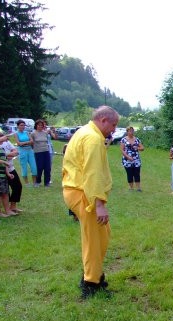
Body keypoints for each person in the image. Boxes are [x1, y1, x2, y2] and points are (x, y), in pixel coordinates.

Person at [62, 105, 119, 299]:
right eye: (113, 124)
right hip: (83, 193)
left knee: (102, 235)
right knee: (94, 240)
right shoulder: (93, 138)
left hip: (80, 191)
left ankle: (93, 274)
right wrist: (99, 204)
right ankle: (91, 283)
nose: (114, 129)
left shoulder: (86, 133)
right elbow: (92, 174)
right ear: (103, 120)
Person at [0, 130, 16, 218]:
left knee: (5, 193)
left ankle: (7, 210)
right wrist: (2, 162)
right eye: (0, 139)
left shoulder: (1, 149)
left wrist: (8, 173)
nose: (2, 141)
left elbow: (5, 162)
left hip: (3, 175)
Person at [0, 131, 23, 213]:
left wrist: (7, 155)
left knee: (17, 186)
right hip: (0, 169)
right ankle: (6, 209)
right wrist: (8, 155)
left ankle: (13, 206)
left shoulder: (6, 141)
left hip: (10, 168)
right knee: (5, 190)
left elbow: (16, 151)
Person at [30, 119, 56, 187]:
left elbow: (54, 137)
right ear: (36, 126)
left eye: (41, 125)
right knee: (39, 167)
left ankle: (47, 182)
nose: (40, 126)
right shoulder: (33, 133)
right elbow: (31, 143)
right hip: (38, 152)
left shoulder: (45, 133)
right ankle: (38, 182)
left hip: (46, 151)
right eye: (39, 125)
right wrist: (34, 148)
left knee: (47, 167)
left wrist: (52, 131)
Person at [12, 120, 37, 186]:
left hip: (30, 151)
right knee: (24, 167)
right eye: (21, 125)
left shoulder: (27, 132)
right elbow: (19, 143)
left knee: (34, 167)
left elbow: (32, 141)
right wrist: (27, 142)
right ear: (18, 126)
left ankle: (34, 183)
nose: (23, 127)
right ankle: (27, 183)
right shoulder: (16, 134)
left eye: (24, 125)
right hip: (22, 151)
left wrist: (24, 143)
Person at [119, 126, 144, 191]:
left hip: (136, 159)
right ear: (127, 132)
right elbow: (122, 150)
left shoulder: (137, 139)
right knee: (129, 173)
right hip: (127, 159)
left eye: (132, 131)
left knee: (137, 173)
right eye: (130, 131)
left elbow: (142, 148)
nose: (132, 132)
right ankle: (131, 188)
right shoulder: (123, 140)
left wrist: (137, 148)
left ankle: (138, 188)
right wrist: (128, 157)